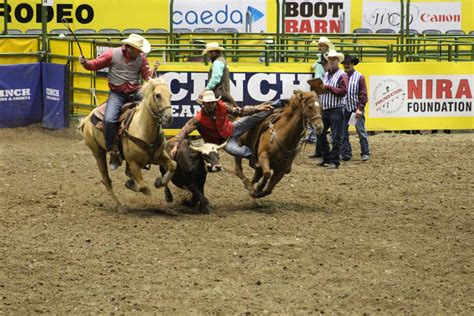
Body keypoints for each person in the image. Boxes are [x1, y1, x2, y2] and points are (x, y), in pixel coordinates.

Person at [79, 34, 153, 170]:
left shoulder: (141, 59)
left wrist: (152, 78)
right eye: (139, 49)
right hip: (117, 94)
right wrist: (85, 63)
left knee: (153, 111)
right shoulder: (112, 54)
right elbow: (95, 64)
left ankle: (154, 144)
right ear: (130, 48)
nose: (141, 52)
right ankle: (113, 151)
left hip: (135, 93)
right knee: (109, 120)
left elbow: (147, 76)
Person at [170, 91, 273, 166]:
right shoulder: (198, 119)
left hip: (232, 128)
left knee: (255, 116)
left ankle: (279, 104)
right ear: (203, 104)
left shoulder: (222, 106)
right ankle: (255, 156)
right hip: (224, 142)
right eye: (208, 103)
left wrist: (257, 108)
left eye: (212, 102)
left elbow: (239, 111)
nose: (211, 105)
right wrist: (176, 145)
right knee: (237, 151)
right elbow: (184, 130)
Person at [316, 49, 348, 169]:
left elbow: (343, 91)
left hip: (336, 109)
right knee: (320, 133)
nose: (331, 62)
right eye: (330, 60)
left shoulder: (342, 75)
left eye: (334, 60)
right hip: (325, 109)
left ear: (338, 61)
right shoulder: (326, 75)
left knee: (336, 136)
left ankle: (334, 161)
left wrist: (328, 87)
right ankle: (326, 158)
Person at [308, 37, 335, 156]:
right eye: (319, 46)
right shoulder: (320, 59)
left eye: (321, 46)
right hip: (319, 89)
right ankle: (319, 150)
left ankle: (324, 150)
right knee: (320, 119)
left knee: (323, 121)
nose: (319, 48)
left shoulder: (327, 59)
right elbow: (316, 66)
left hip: (324, 90)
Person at [340, 54, 370, 161]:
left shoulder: (359, 77)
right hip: (344, 109)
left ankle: (365, 152)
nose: (346, 65)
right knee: (343, 133)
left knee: (361, 131)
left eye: (348, 63)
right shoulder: (341, 76)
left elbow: (363, 95)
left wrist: (359, 108)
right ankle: (346, 154)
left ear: (353, 63)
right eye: (344, 63)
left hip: (355, 109)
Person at [199, 42, 237, 106]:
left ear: (213, 52)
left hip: (218, 95)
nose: (208, 55)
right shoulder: (221, 61)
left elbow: (215, 79)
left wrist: (205, 90)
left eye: (208, 52)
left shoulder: (217, 63)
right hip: (223, 94)